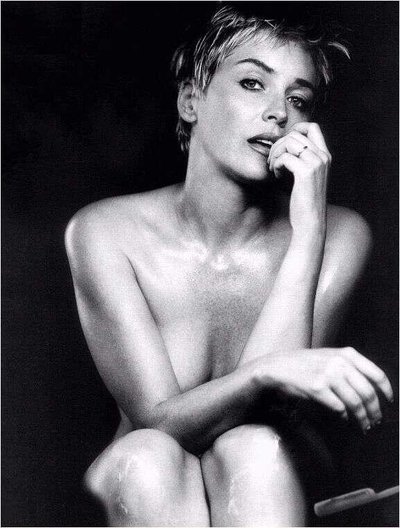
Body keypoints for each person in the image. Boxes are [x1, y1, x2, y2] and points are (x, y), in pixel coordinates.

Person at [65, 5, 393, 526]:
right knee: (147, 457)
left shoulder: (341, 235)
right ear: (190, 100)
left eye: (298, 99)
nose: (278, 113)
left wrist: (308, 232)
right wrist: (264, 372)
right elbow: (157, 422)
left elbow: (277, 417)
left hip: (265, 483)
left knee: (253, 450)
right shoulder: (105, 232)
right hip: (142, 487)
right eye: (252, 83)